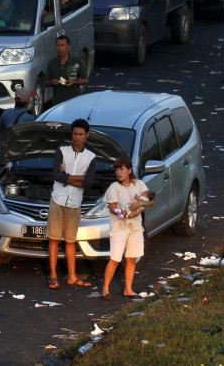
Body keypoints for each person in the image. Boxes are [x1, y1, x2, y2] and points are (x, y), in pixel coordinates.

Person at [48, 118, 97, 289]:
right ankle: (53, 275)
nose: (77, 137)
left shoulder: (91, 157)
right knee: (54, 239)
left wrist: (67, 177)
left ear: (87, 135)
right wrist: (79, 178)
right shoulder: (61, 150)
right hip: (58, 199)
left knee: (70, 241)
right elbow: (56, 175)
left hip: (75, 203)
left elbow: (89, 183)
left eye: (81, 134)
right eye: (75, 134)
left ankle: (72, 276)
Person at [100, 158, 153, 299]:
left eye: (122, 169)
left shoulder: (139, 184)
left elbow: (151, 201)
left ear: (129, 170)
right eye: (117, 170)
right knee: (115, 259)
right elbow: (112, 208)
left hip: (135, 227)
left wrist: (140, 204)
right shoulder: (114, 188)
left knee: (131, 258)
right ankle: (105, 288)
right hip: (120, 227)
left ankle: (128, 289)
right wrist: (122, 214)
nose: (119, 172)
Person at [46, 35, 87, 106]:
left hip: (74, 101)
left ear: (68, 47)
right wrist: (52, 82)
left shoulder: (76, 61)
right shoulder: (52, 63)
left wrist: (74, 82)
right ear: (56, 47)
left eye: (63, 45)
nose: (60, 48)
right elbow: (46, 83)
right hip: (57, 103)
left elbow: (85, 80)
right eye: (58, 45)